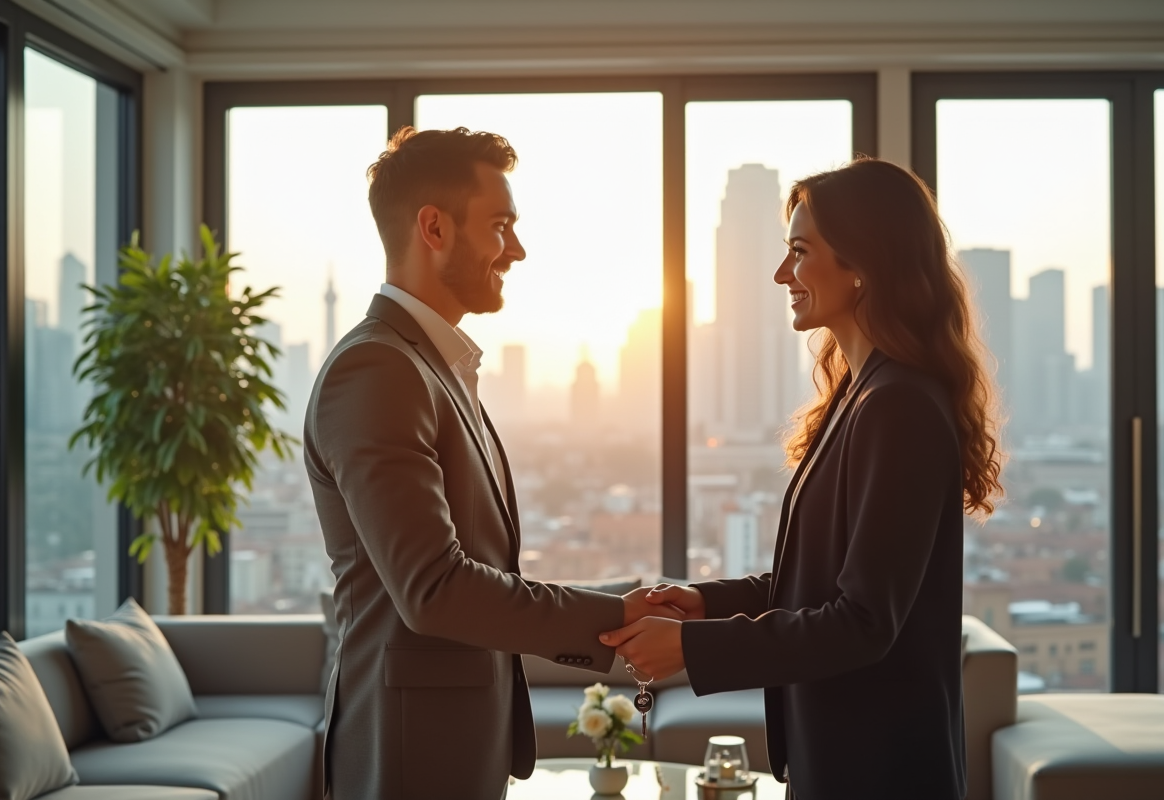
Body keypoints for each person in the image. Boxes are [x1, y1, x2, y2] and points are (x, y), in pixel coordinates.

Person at [601, 158, 1004, 800]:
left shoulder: (897, 406)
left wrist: (693, 648)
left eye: (799, 251)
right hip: (841, 757)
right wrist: (707, 602)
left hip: (880, 771)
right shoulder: (860, 395)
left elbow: (862, 620)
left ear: (862, 263)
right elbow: (820, 583)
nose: (781, 273)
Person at [304, 126, 680, 799]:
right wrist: (610, 616)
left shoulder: (432, 367)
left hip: (451, 739)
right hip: (409, 752)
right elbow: (435, 587)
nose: (517, 249)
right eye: (501, 226)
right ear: (434, 228)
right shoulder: (378, 370)